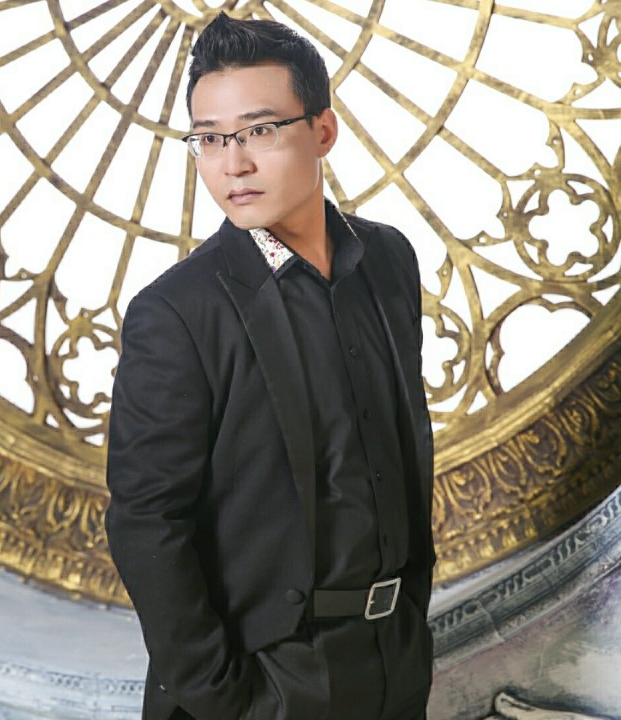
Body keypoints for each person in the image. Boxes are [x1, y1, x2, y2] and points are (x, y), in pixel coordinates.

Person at [105, 12, 435, 720]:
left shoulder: (389, 261)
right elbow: (146, 521)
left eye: (259, 131)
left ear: (323, 131)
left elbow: (404, 450)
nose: (233, 164)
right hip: (270, 677)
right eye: (210, 139)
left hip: (397, 658)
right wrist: (229, 700)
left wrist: (412, 617)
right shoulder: (175, 313)